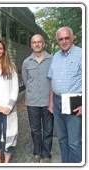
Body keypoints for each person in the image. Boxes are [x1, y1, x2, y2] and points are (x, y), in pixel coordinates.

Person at [48, 27, 82, 163]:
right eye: (61, 39)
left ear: (72, 38)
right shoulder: (55, 56)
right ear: (57, 40)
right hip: (57, 103)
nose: (64, 41)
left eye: (67, 38)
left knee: (74, 142)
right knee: (62, 139)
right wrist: (51, 101)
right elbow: (52, 80)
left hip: (75, 102)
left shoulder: (82, 54)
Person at [21, 34, 54, 163]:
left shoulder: (52, 60)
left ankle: (46, 155)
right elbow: (26, 80)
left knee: (48, 129)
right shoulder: (26, 62)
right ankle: (37, 153)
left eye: (39, 42)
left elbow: (54, 80)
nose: (37, 44)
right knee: (35, 129)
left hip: (48, 101)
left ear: (43, 43)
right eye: (34, 42)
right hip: (32, 101)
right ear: (31, 44)